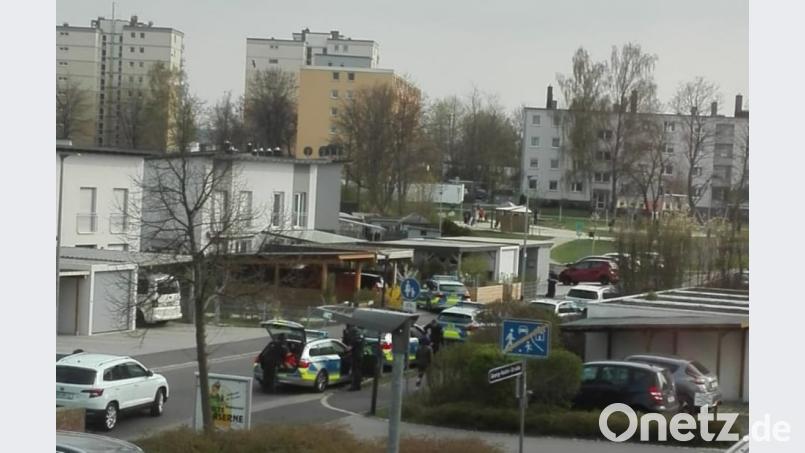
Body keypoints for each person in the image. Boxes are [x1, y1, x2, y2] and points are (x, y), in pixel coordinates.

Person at [347, 326, 364, 391]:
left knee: (355, 371)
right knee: (358, 370)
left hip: (356, 356)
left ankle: (354, 386)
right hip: (360, 355)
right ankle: (358, 386)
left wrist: (349, 348)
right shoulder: (360, 335)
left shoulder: (355, 336)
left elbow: (351, 346)